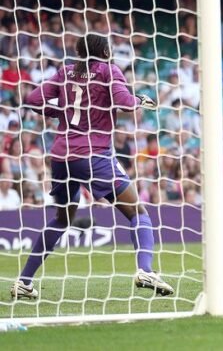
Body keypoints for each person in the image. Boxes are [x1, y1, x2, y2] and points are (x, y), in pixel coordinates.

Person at [11, 33, 174, 300]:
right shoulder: (109, 71)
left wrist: (60, 112)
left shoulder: (65, 72)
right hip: (93, 154)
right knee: (138, 212)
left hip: (62, 157)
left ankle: (24, 281)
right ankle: (145, 269)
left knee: (63, 219)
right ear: (106, 52)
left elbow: (32, 100)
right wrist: (139, 101)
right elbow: (123, 101)